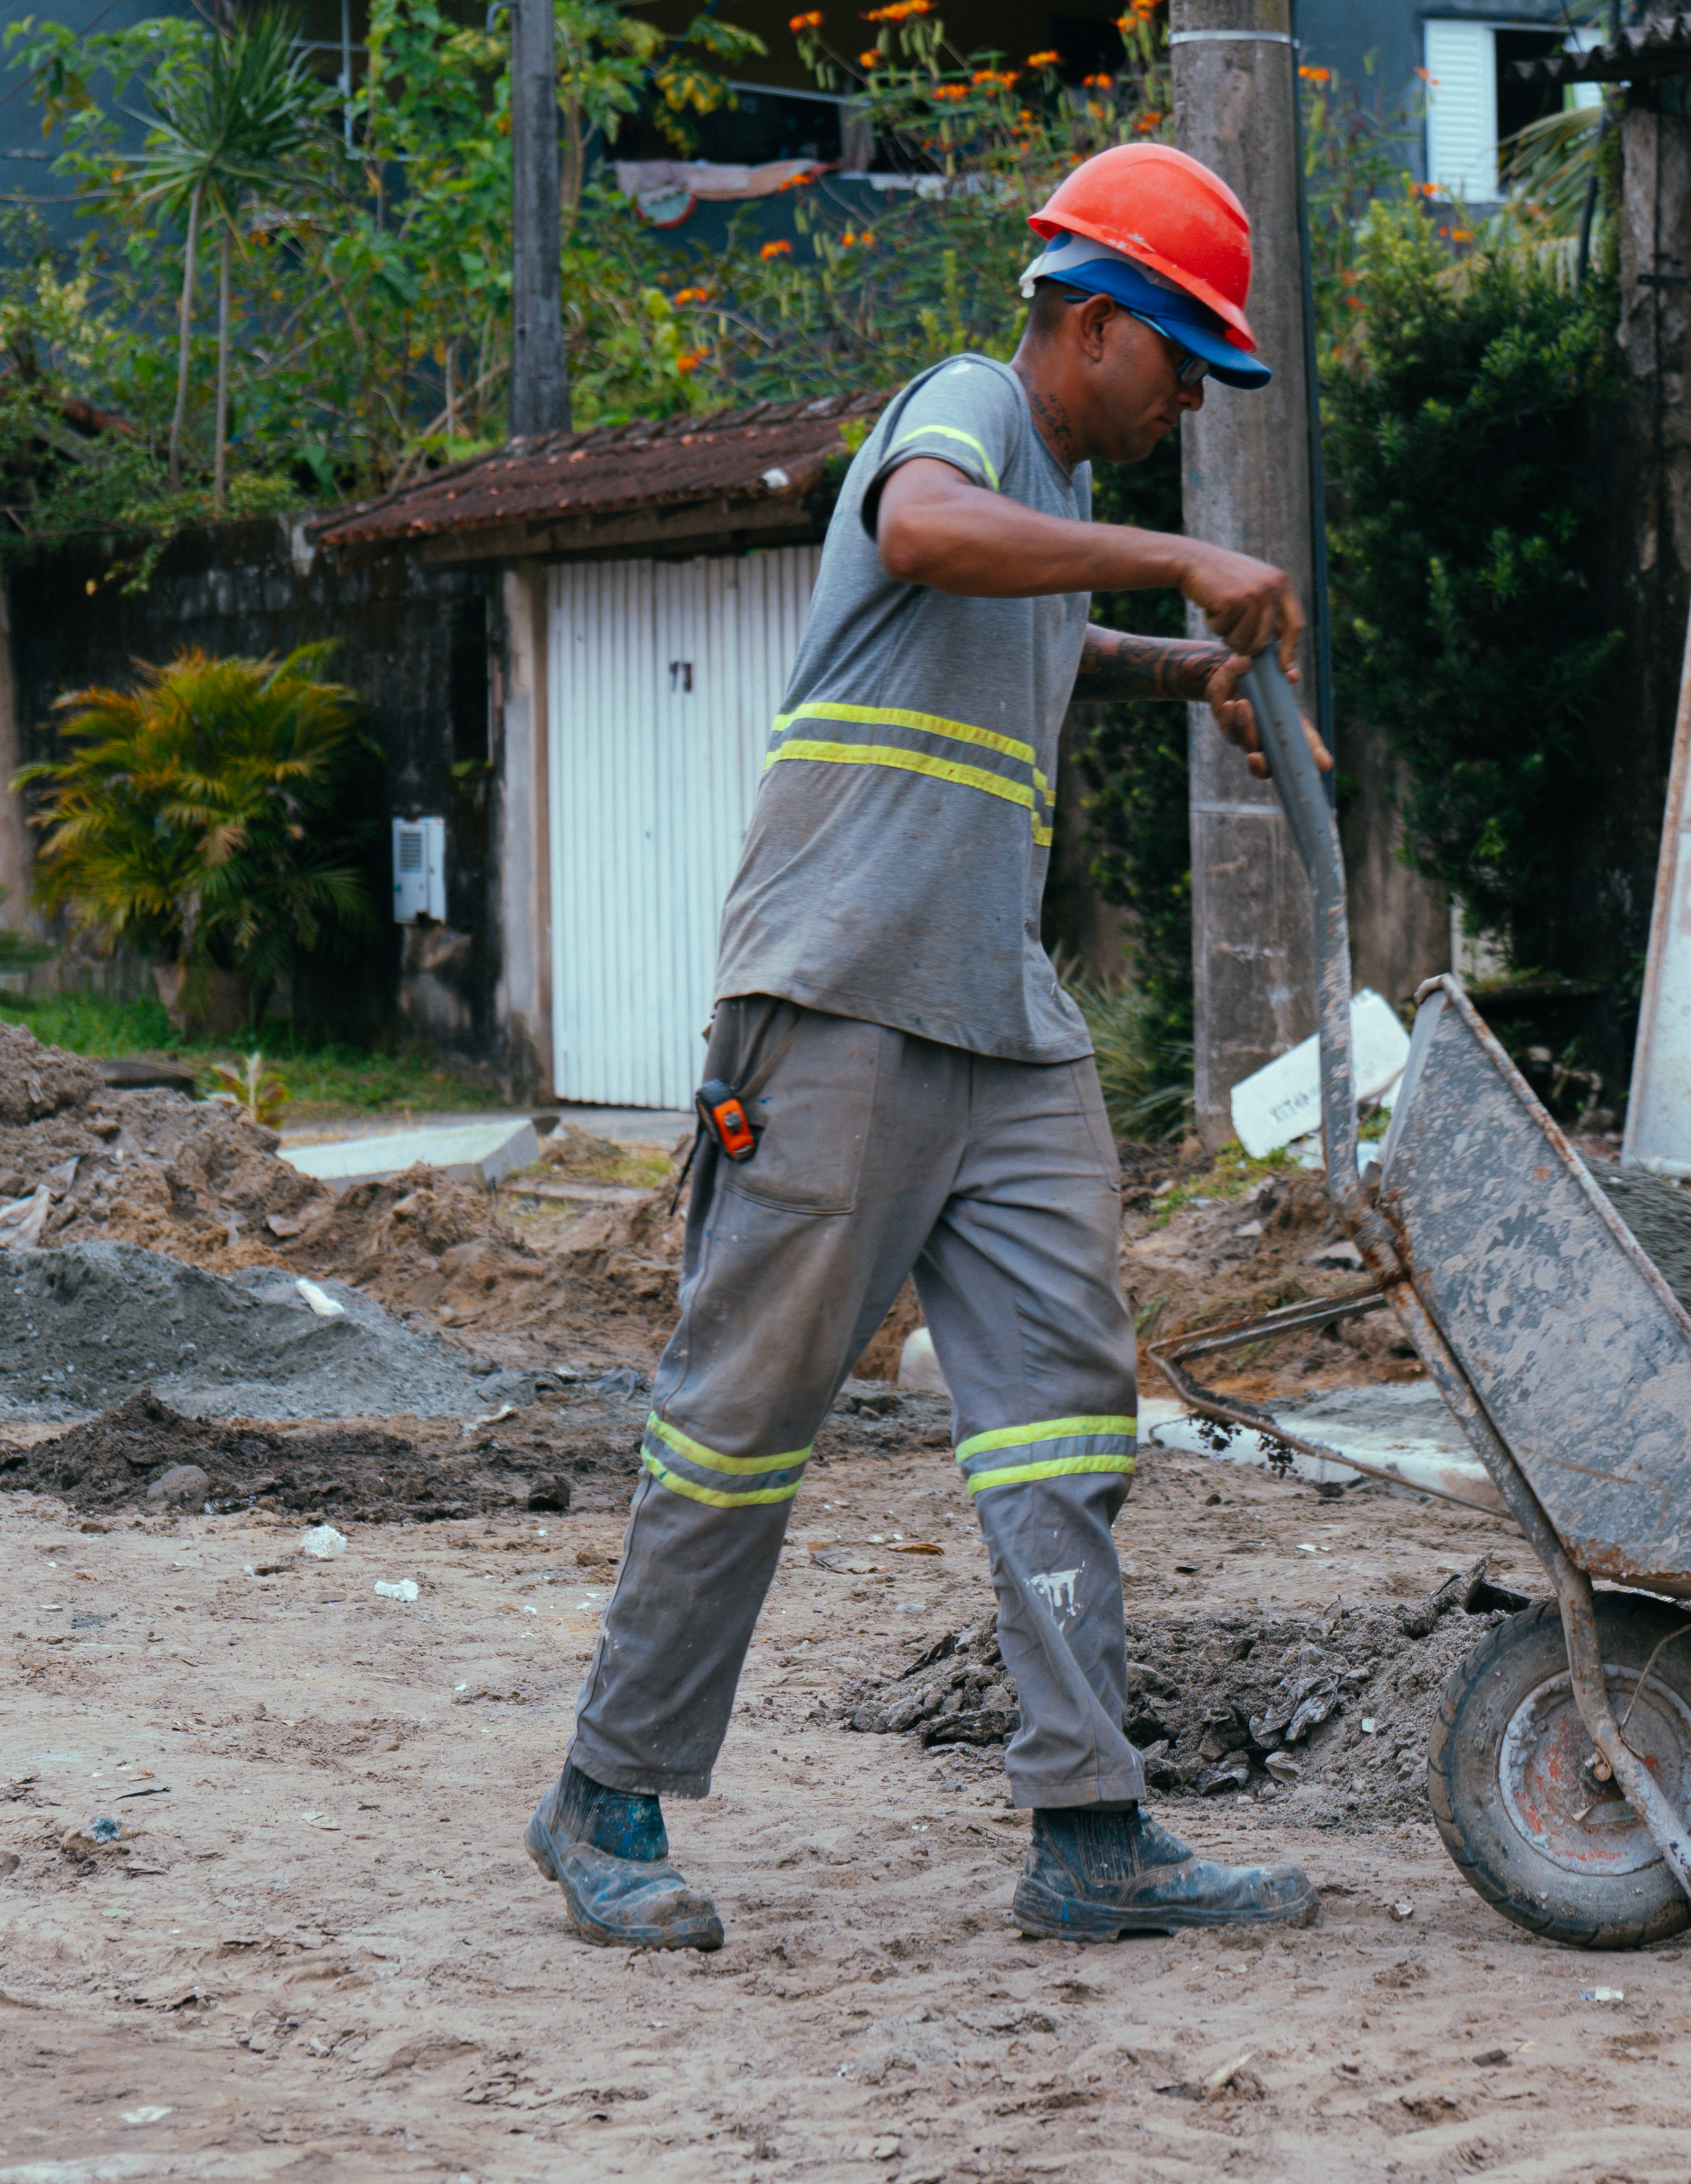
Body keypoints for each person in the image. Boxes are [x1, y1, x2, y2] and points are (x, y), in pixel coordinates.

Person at [525, 142, 1331, 1951]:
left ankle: (1088, 1825)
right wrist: (1188, 556)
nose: (1193, 398)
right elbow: (919, 534)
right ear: (1096, 324)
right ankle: (606, 1792)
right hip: (838, 994)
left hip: (994, 1014)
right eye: (1184, 356)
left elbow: (1028, 615)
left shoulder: (1043, 503)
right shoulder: (966, 413)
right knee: (743, 1415)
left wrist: (1175, 664)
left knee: (1059, 1412)